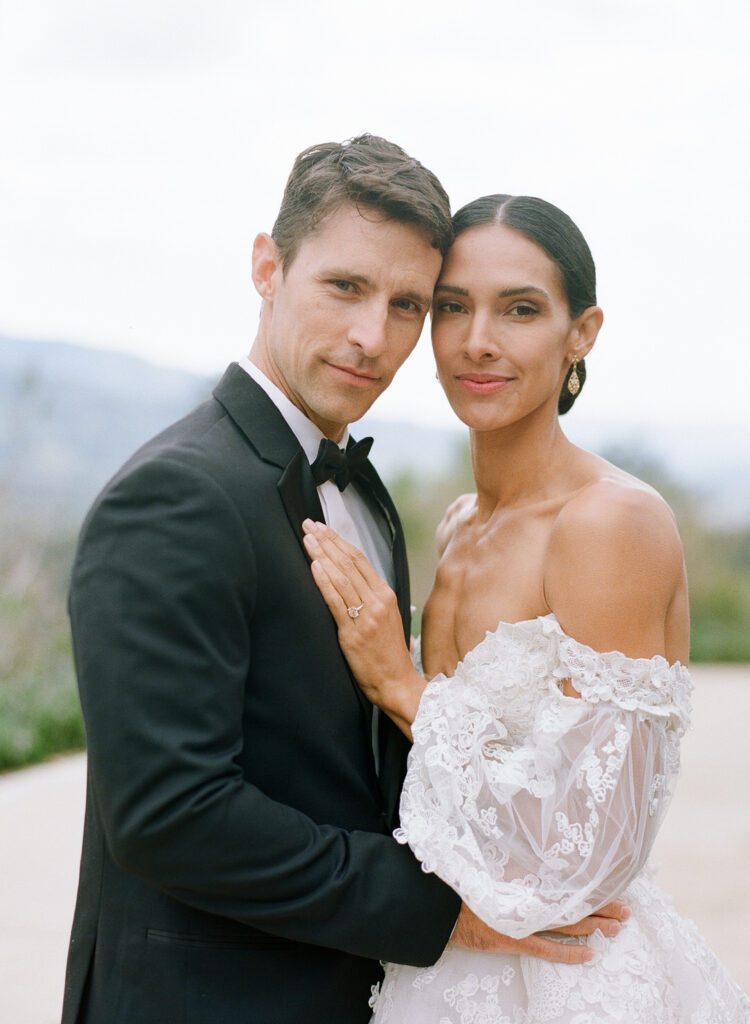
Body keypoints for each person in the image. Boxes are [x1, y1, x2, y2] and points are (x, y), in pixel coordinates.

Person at [61, 143, 622, 1024]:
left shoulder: (367, 494)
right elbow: (171, 814)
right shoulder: (175, 496)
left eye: (407, 305)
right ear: (267, 268)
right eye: (344, 288)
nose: (374, 337)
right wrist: (444, 911)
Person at [303, 193, 750, 1022]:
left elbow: (594, 852)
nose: (478, 341)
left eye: (520, 309)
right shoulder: (459, 524)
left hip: (565, 982)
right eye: (452, 307)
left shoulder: (610, 522)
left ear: (581, 332)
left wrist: (403, 687)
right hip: (444, 962)